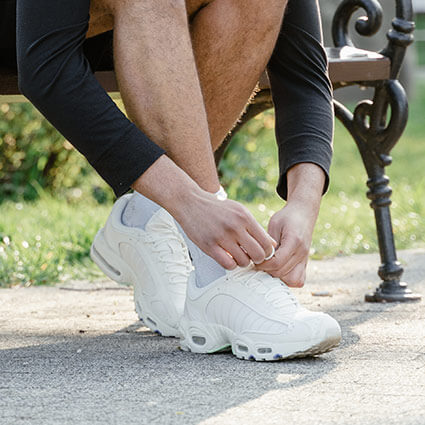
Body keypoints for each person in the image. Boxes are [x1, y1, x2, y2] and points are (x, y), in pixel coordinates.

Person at [7, 0, 340, 360]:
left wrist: (303, 205)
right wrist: (192, 203)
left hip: (154, 32)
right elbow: (46, 67)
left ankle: (147, 215)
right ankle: (219, 273)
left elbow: (305, 74)